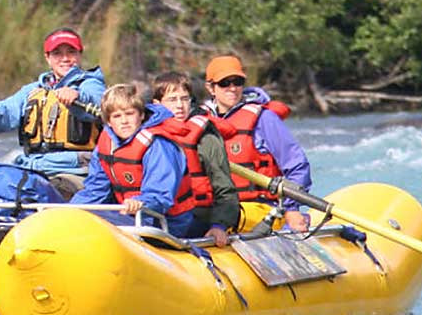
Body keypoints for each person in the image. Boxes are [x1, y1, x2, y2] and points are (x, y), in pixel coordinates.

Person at [0, 27, 105, 198]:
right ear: (48, 58)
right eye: (57, 53)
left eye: (71, 52)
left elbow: (98, 103)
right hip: (33, 167)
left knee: (37, 191)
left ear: (80, 55)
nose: (65, 58)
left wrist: (78, 97)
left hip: (76, 171)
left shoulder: (90, 85)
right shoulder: (33, 90)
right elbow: (6, 111)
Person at [200, 55, 312, 232]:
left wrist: (292, 208)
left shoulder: (264, 119)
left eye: (237, 82)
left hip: (258, 208)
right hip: (214, 208)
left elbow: (297, 165)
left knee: (225, 217)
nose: (232, 88)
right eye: (224, 83)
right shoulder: (199, 121)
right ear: (211, 87)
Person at [69, 83, 195, 238]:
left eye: (129, 114)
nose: (124, 121)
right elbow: (95, 190)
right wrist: (70, 211)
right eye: (117, 116)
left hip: (166, 220)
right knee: (75, 217)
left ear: (141, 115)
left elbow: (160, 195)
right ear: (108, 121)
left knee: (95, 222)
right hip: (130, 215)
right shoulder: (106, 144)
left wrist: (140, 202)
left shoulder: (158, 144)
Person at [151, 72, 240, 245]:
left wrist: (219, 225)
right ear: (157, 104)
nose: (180, 106)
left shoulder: (206, 138)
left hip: (196, 218)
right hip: (157, 216)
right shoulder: (147, 134)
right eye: (172, 100)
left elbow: (224, 188)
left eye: (185, 99)